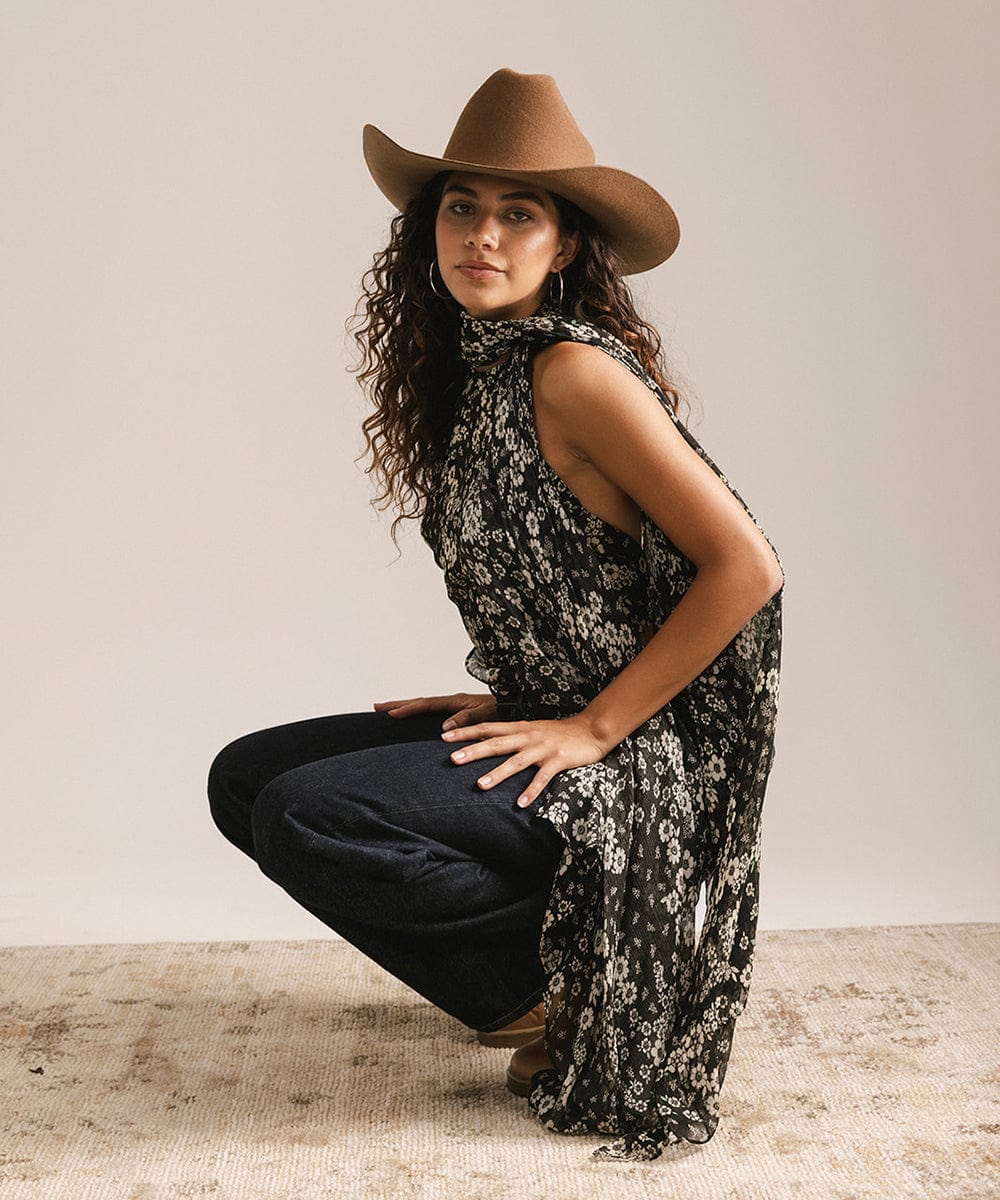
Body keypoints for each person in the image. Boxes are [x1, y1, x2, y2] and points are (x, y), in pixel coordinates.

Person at [207, 68, 784, 1162]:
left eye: (520, 214)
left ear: (563, 248)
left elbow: (745, 567)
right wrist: (523, 693)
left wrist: (593, 725)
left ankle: (582, 986)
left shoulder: (572, 372)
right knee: (246, 777)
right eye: (462, 207)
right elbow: (575, 584)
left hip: (638, 761)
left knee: (308, 814)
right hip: (558, 709)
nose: (483, 234)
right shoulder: (480, 372)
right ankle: (535, 982)